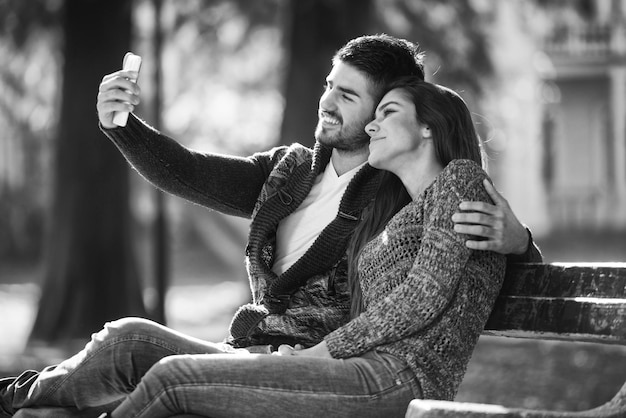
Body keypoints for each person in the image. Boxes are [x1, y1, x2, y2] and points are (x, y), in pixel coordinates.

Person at [0, 34, 540, 417]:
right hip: (259, 355)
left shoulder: (405, 185)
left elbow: (467, 266)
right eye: (330, 84)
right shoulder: (289, 173)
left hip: (326, 371)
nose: (327, 101)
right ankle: (14, 399)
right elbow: (191, 172)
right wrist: (121, 127)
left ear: (396, 113)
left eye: (350, 96)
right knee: (125, 340)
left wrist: (519, 242)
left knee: (171, 383)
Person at [94, 77, 507, 417]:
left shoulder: (460, 178)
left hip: (397, 379)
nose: (372, 127)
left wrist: (319, 354)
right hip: (359, 370)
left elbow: (422, 297)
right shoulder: (405, 212)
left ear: (428, 127)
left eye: (388, 113)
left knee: (173, 379)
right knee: (144, 356)